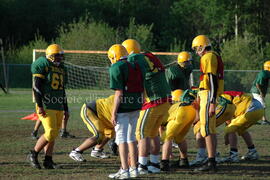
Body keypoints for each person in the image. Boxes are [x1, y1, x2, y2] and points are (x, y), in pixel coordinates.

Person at [122, 39, 171, 174]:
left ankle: (142, 166)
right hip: (166, 99)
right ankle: (154, 164)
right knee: (153, 132)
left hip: (153, 100)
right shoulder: (149, 55)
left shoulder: (134, 58)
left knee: (141, 133)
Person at [27, 44, 69, 169]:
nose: (60, 58)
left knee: (53, 133)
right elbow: (36, 86)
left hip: (58, 105)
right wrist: (40, 105)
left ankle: (48, 160)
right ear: (50, 56)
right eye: (57, 56)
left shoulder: (62, 68)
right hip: (46, 104)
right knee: (50, 132)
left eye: (61, 56)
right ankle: (33, 153)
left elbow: (62, 90)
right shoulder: (43, 64)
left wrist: (66, 108)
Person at [107, 44, 145, 179]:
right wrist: (141, 103)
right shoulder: (136, 65)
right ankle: (134, 168)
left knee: (121, 139)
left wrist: (113, 112)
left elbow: (119, 93)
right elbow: (141, 89)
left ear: (114, 56)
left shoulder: (117, 67)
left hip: (123, 107)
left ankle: (124, 169)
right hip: (136, 105)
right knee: (131, 138)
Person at [191, 35, 224, 172]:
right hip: (208, 94)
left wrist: (211, 101)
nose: (196, 51)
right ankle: (212, 159)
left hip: (208, 94)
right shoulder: (212, 55)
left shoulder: (208, 57)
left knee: (207, 130)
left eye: (196, 48)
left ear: (201, 46)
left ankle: (211, 162)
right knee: (210, 130)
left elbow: (212, 80)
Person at [191, 92, 236, 166]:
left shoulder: (199, 93)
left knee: (199, 127)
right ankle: (215, 154)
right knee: (210, 129)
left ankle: (202, 155)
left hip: (222, 106)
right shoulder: (200, 91)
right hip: (230, 107)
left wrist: (193, 122)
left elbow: (197, 115)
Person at [160, 89, 199, 171]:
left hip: (180, 113)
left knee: (167, 138)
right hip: (191, 113)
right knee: (180, 138)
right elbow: (196, 119)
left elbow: (161, 125)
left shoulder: (170, 106)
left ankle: (164, 163)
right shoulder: (189, 104)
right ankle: (184, 160)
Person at [68, 95, 115, 162]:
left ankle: (97, 150)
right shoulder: (119, 101)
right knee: (98, 135)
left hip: (102, 115)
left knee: (110, 132)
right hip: (90, 110)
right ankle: (76, 152)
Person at [220, 91, 263, 162]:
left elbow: (228, 114)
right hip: (259, 109)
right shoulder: (228, 94)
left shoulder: (223, 96)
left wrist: (226, 135)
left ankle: (233, 155)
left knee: (231, 128)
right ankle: (253, 151)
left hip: (251, 109)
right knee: (241, 129)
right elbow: (229, 118)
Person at [250, 60, 270, 125]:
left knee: (256, 105)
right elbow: (257, 84)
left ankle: (252, 119)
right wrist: (261, 92)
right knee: (262, 105)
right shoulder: (264, 73)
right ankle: (264, 120)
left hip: (258, 91)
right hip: (257, 91)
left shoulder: (266, 73)